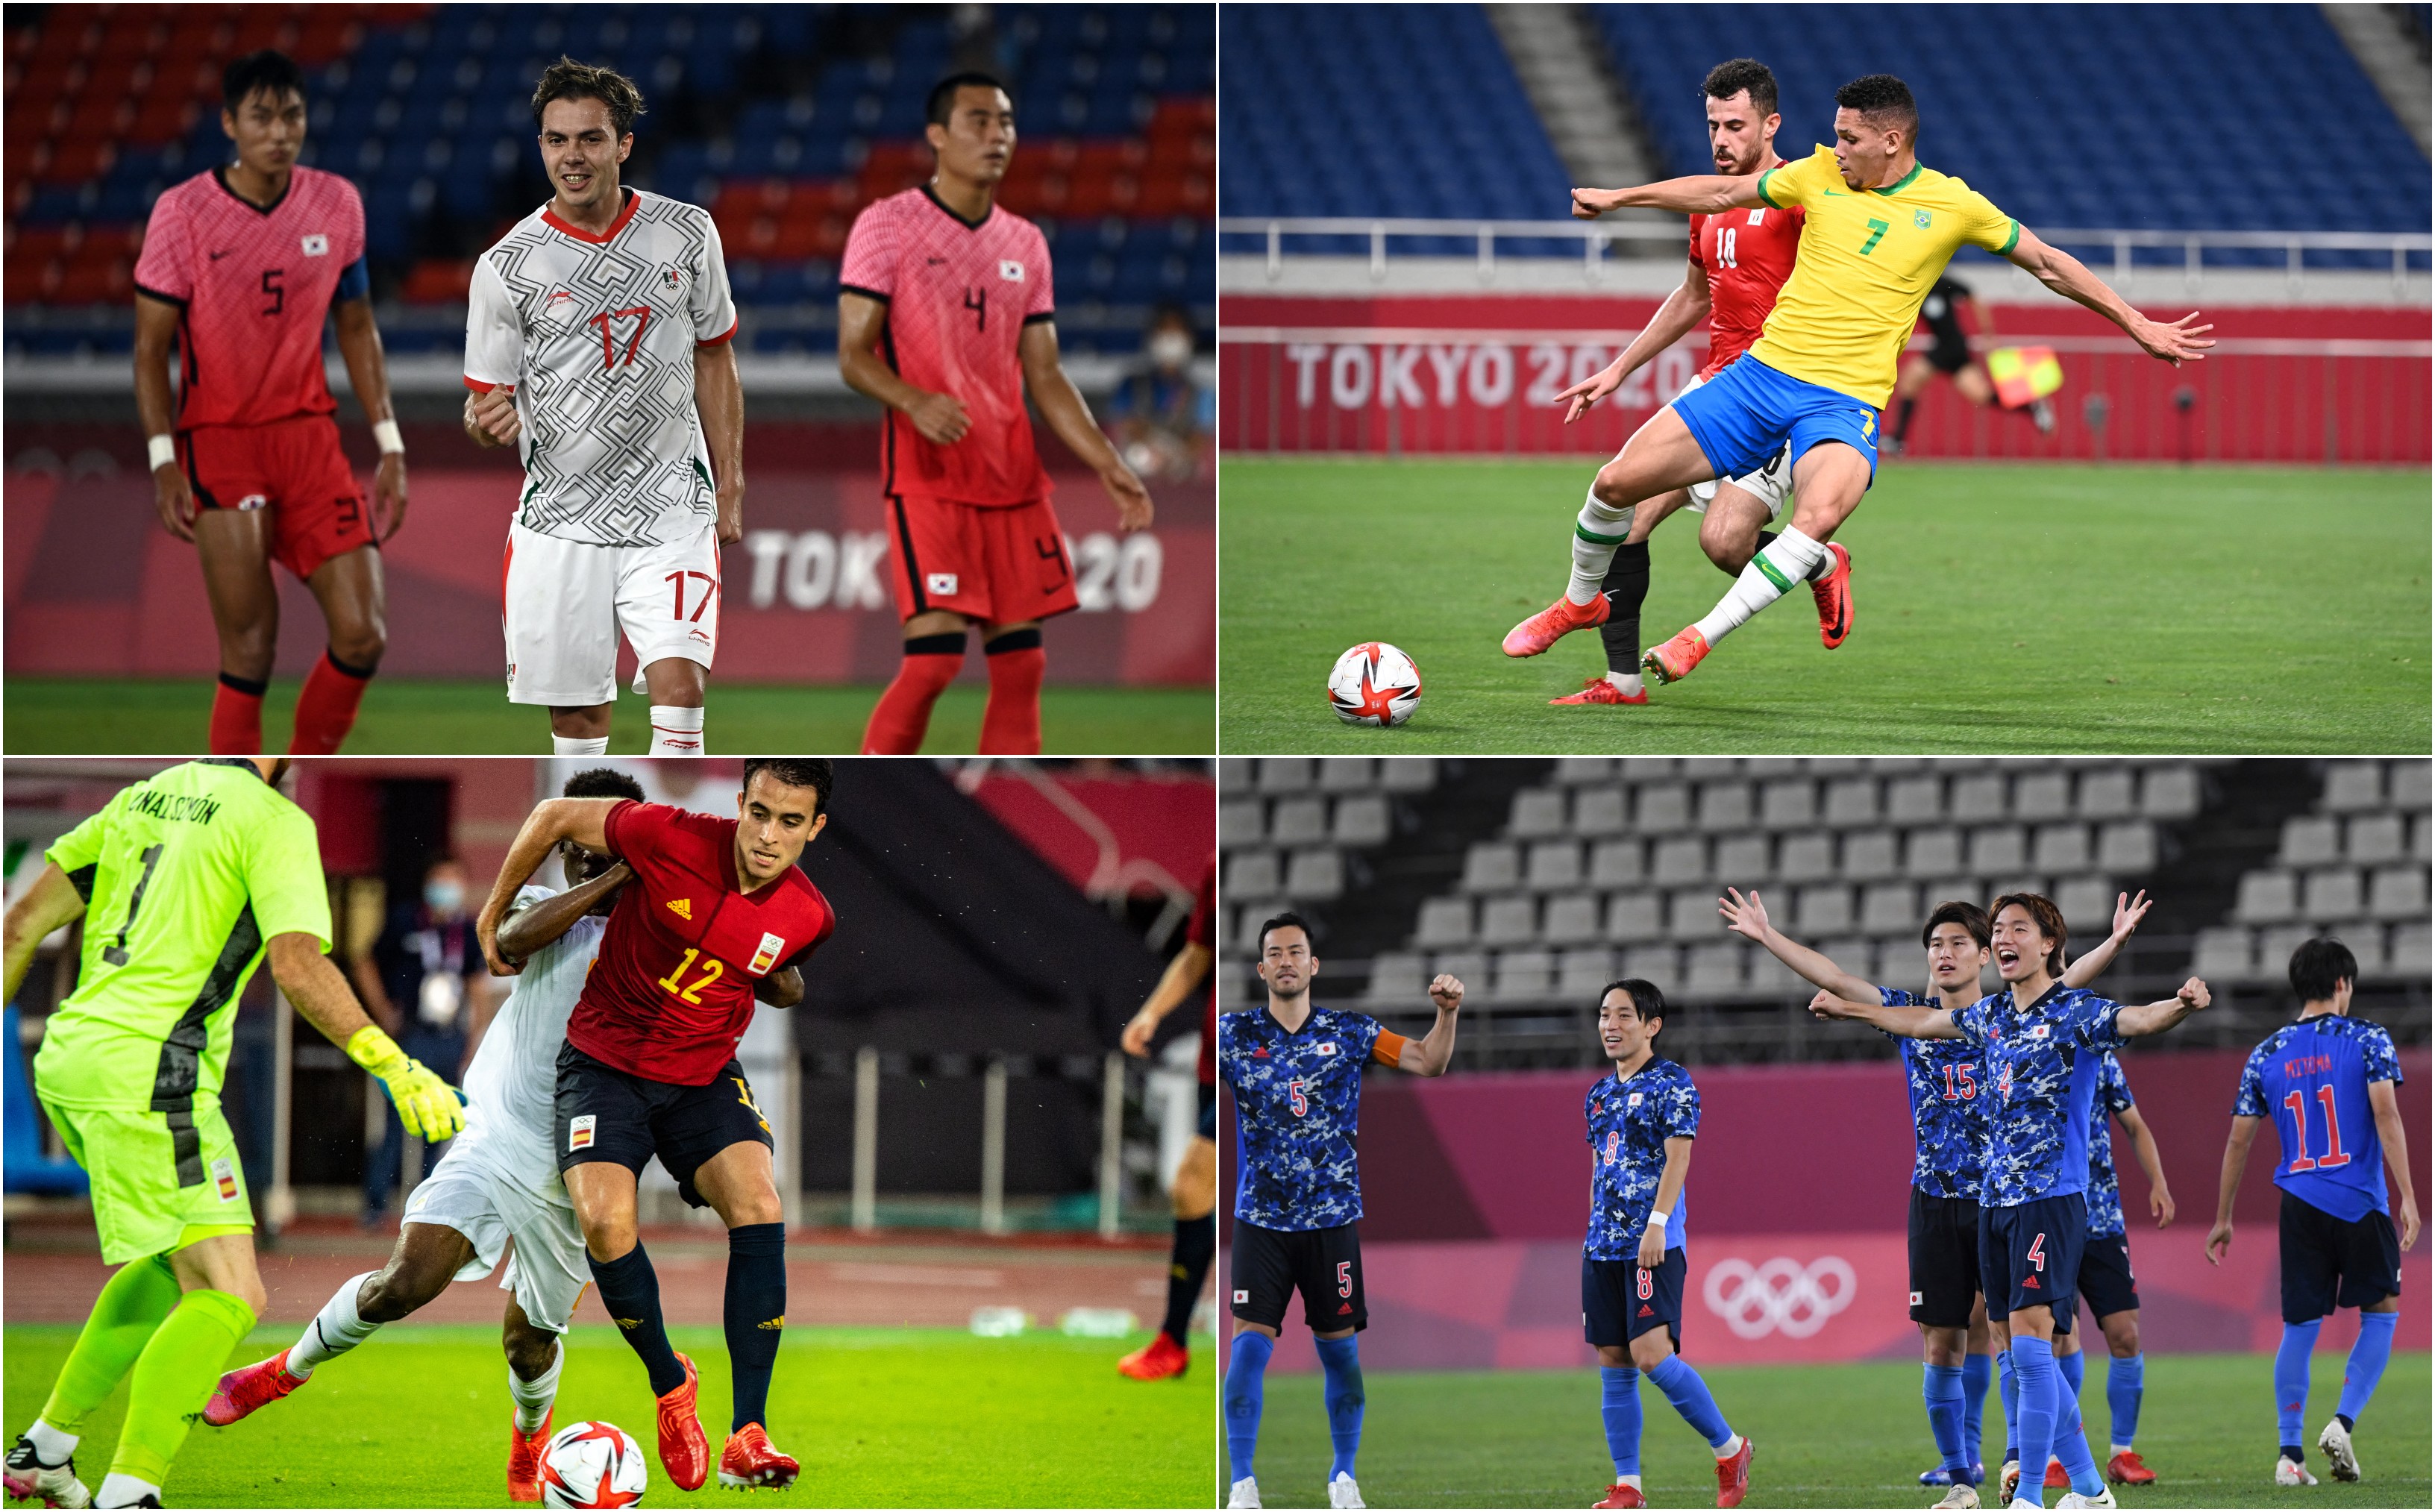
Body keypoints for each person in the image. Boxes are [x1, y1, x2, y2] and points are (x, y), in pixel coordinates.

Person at [1530, 74, 2210, 686]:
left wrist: (2136, 322)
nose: (1834, 148)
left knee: (1794, 523)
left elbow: (2049, 263)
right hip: (1758, 378)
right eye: (1834, 136)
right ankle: (1587, 608)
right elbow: (1718, 194)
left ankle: (1698, 638)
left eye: (1848, 138)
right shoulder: (1817, 175)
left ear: (1890, 140)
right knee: (1619, 487)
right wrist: (1620, 197)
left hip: (1841, 401)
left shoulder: (1953, 204)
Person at [0, 759, 463, 1511]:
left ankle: (42, 1452)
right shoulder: (270, 817)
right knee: (229, 1289)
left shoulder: (136, 798)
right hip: (156, 1075)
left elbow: (18, 926)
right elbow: (298, 962)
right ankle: (131, 1491)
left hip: (71, 1059)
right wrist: (390, 1060)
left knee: (167, 1263)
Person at [472, 759, 836, 1493]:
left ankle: (748, 1433)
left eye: (790, 821)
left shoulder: (813, 914)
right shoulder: (664, 833)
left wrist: (776, 976)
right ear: (739, 802)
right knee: (607, 1225)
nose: (768, 835)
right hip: (603, 1063)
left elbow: (780, 972)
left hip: (701, 1073)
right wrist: (491, 913)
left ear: (814, 828)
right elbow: (549, 815)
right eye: (759, 812)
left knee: (761, 1206)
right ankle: (672, 1386)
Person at [1720, 888, 2149, 1506]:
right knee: (1945, 1340)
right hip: (1933, 1198)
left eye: (1957, 944)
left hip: (2007, 1196)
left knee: (2022, 1338)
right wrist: (1768, 937)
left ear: (1984, 955)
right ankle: (1962, 1474)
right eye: (1934, 945)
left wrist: (2114, 942)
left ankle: (2025, 1464)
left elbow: (2068, 981)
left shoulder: (2008, 1012)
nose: (1943, 955)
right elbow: (1838, 977)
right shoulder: (1913, 1016)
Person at [1808, 894, 2210, 1511]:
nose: (2004, 937)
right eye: (1998, 929)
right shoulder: (1991, 1014)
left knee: (2027, 1342)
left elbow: (2139, 1019)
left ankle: (2025, 1492)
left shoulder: (2075, 1011)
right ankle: (2091, 1489)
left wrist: (2181, 1004)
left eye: (2018, 928)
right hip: (1994, 1201)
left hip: (2050, 1199)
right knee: (2008, 1342)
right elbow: (1918, 1023)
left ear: (2048, 943)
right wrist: (1851, 1009)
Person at [839, 71, 1154, 756]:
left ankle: (1004, 797)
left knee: (1023, 666)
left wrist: (1108, 461)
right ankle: (860, 799)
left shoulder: (1026, 242)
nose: (997, 136)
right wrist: (913, 399)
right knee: (934, 664)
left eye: (1006, 122)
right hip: (930, 481)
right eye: (979, 121)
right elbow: (853, 355)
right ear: (937, 136)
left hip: (1013, 484)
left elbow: (1046, 374)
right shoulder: (887, 225)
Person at [461, 57, 743, 757]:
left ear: (623, 145)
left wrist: (730, 483)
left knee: (681, 692)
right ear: (541, 149)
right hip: (561, 521)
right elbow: (484, 402)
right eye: (557, 141)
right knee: (579, 730)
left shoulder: (687, 233)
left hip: (672, 506)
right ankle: (585, 858)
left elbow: (715, 353)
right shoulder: (505, 266)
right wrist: (482, 422)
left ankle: (668, 857)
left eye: (590, 138)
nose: (572, 157)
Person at [134, 51, 406, 756]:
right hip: (220, 440)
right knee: (250, 650)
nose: (279, 131)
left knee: (362, 632)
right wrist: (164, 459)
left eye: (292, 115)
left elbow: (356, 323)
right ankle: (232, 806)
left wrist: (391, 443)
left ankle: (289, 780)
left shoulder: (337, 202)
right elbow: (148, 349)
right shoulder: (183, 213)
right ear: (230, 123)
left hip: (310, 439)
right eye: (261, 116)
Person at [1532, 58, 1816, 707]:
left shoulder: (1799, 197)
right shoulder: (1705, 204)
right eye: (1713, 125)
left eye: (1735, 126)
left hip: (1773, 396)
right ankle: (1623, 684)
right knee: (1625, 515)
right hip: (1715, 387)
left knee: (1723, 544)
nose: (1721, 140)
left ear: (1771, 125)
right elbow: (1693, 297)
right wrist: (1618, 368)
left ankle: (1823, 560)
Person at [1220, 915, 1462, 1512]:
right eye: (1274, 953)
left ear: (1313, 965)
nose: (1285, 961)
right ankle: (1242, 1483)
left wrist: (1447, 1013)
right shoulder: (1233, 1033)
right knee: (1249, 1346)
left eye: (1295, 951)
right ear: (1260, 969)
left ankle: (1344, 1477)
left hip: (1332, 1222)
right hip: (1261, 1221)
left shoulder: (1351, 1032)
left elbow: (1428, 1061)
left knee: (1340, 1353)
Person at [2206, 937, 2418, 1488]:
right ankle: (2343, 1422)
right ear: (2343, 984)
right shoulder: (2369, 1038)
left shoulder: (2266, 1052)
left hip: (2299, 1202)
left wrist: (2223, 1216)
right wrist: (2413, 1196)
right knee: (2382, 1311)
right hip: (2358, 1201)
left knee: (2298, 1326)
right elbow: (2387, 1116)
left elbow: (2237, 1143)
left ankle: (2288, 1455)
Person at [1582, 980, 1755, 1511]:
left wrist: (1657, 1222)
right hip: (1602, 1246)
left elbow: (1678, 1158)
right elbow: (1599, 1167)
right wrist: (1590, 1230)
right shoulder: (1597, 1093)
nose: (1611, 1025)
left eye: (1624, 1015)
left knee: (1651, 1354)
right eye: (1605, 1014)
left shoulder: (1673, 1082)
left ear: (1652, 1024)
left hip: (1652, 1243)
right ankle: (1628, 1486)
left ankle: (1731, 1449)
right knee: (1614, 1361)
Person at [2030, 1048, 2169, 1492]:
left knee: (2125, 1334)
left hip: (2101, 1218)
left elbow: (2134, 1125)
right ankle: (2055, 1456)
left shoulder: (2099, 1054)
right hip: (2047, 1216)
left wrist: (2159, 1182)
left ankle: (2121, 1453)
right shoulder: (2028, 1048)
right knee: (2053, 1337)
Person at [1116, 856, 1218, 1381]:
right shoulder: (1217, 864)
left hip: (1268, 1060)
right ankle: (1174, 1340)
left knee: (1193, 1184)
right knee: (1201, 1190)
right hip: (1215, 1062)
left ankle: (1175, 1338)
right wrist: (1152, 1012)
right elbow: (1198, 954)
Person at [354, 854, 493, 1227]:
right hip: (411, 1033)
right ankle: (376, 1204)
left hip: (450, 1035)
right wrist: (381, 1010)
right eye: (439, 882)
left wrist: (475, 1037)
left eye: (453, 882)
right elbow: (365, 960)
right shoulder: (405, 921)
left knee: (444, 1120)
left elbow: (477, 985)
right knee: (398, 1121)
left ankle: (430, 1206)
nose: (445, 891)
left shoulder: (467, 930)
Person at [1884, 274, 2054, 456]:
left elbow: (1974, 297)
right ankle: (2031, 406)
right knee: (1981, 396)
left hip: (1952, 347)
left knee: (1910, 381)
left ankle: (1898, 440)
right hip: (1947, 347)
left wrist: (1988, 333)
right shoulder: (1914, 288)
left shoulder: (1940, 282)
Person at [1105, 304, 1212, 482]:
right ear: (1152, 337)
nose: (1170, 340)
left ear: (1189, 339)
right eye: (1164, 331)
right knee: (1138, 455)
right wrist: (1155, 449)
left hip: (1181, 465)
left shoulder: (1200, 392)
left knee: (1191, 467)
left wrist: (1174, 455)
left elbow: (1200, 437)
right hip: (1142, 460)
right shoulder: (1131, 384)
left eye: (1177, 333)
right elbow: (1127, 426)